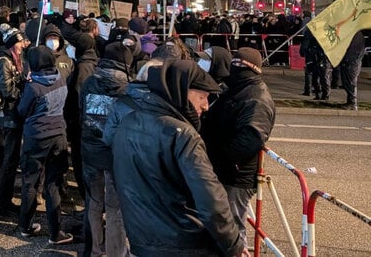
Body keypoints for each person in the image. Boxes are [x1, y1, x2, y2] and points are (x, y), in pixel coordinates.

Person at [106, 59, 249, 257]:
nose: (206, 105)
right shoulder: (182, 134)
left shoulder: (128, 122)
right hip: (182, 241)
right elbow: (211, 200)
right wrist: (234, 244)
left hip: (141, 238)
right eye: (202, 97)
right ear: (183, 91)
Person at [202, 48, 276, 249]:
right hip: (224, 169)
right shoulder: (236, 89)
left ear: (252, 69)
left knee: (233, 228)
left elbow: (250, 139)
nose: (234, 68)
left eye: (240, 65)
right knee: (221, 224)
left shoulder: (256, 97)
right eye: (233, 63)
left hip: (236, 175)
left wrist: (218, 158)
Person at [79, 42, 133, 257]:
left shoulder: (89, 81)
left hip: (90, 149)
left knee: (93, 201)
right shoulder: (127, 88)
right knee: (115, 207)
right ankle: (115, 251)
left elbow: (82, 112)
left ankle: (95, 249)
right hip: (114, 153)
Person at [15, 45, 72, 245]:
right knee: (53, 182)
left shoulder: (33, 87)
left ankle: (26, 225)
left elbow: (22, 111)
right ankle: (56, 232)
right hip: (58, 134)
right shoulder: (61, 77)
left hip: (37, 136)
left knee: (31, 181)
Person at [0, 28, 27, 215]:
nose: (23, 45)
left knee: (10, 161)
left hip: (10, 117)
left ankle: (4, 200)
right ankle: (3, 203)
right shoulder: (4, 62)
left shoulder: (12, 60)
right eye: (20, 42)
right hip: (7, 118)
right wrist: (23, 88)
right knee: (8, 162)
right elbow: (7, 91)